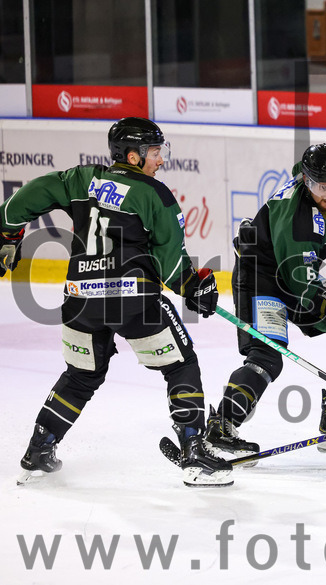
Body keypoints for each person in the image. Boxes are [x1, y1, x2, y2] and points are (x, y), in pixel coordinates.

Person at [0, 117, 230, 487]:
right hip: (131, 299)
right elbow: (171, 267)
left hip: (79, 300)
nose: (160, 160)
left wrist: (6, 231)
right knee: (180, 362)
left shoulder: (80, 179)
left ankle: (39, 449)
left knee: (83, 374)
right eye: (155, 152)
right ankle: (193, 451)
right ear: (134, 156)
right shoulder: (154, 194)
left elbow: (26, 198)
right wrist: (195, 286)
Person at [206, 143, 326, 459]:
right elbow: (299, 280)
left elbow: (308, 262)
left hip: (294, 270)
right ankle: (221, 426)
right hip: (262, 279)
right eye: (323, 187)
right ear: (308, 182)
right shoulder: (295, 218)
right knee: (267, 357)